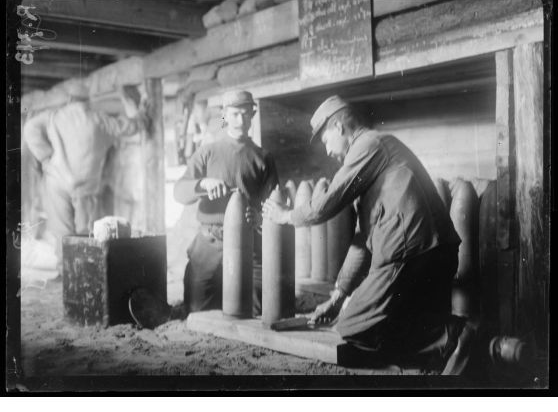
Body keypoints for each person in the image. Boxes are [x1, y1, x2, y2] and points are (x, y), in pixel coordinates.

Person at [263, 95, 476, 374]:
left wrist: (285, 216)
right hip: (433, 254)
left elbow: (326, 203)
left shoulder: (369, 145)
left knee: (353, 326)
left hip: (415, 255)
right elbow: (363, 239)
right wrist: (339, 295)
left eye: (326, 140)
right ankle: (449, 352)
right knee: (388, 322)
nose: (327, 151)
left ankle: (455, 335)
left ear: (339, 127)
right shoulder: (375, 160)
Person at [23, 85, 151, 271]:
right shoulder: (98, 119)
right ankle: (86, 274)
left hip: (57, 181)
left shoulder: (55, 116)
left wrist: (45, 155)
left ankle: (64, 272)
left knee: (62, 232)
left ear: (70, 99)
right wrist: (141, 117)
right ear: (88, 101)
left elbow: (29, 128)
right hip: (86, 184)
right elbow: (128, 127)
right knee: (87, 232)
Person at [174, 90, 278, 314]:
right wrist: (203, 184)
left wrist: (260, 217)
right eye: (235, 114)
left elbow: (273, 204)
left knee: (260, 308)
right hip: (210, 241)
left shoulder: (263, 158)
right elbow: (179, 192)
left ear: (253, 115)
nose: (241, 120)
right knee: (196, 311)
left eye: (246, 114)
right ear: (225, 116)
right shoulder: (207, 152)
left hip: (248, 242)